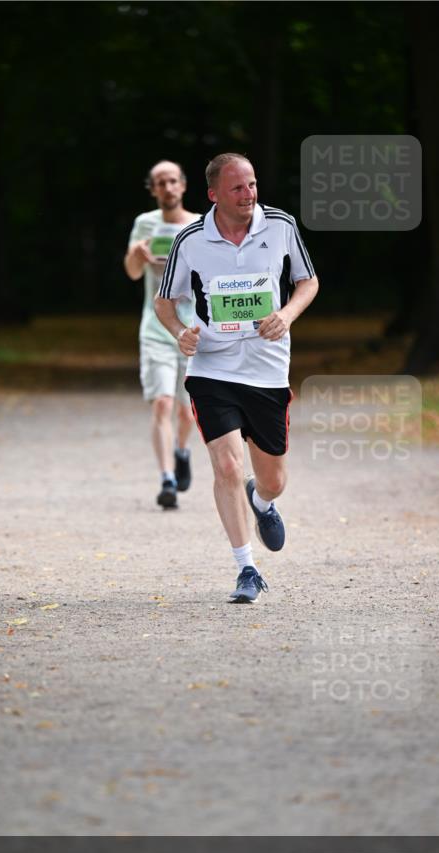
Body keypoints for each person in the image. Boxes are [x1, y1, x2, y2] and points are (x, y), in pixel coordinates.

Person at [155, 152, 319, 602]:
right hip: (212, 367)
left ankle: (262, 501)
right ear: (213, 195)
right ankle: (246, 568)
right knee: (226, 465)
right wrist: (179, 335)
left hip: (267, 370)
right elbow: (164, 301)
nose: (249, 195)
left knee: (273, 481)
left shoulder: (280, 225)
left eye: (252, 185)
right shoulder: (191, 239)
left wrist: (285, 315)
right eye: (237, 188)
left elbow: (308, 282)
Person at [124, 161, 200, 509]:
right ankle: (167, 479)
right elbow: (132, 273)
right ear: (152, 189)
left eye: (173, 181)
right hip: (155, 327)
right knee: (162, 403)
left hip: (193, 329)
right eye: (160, 183)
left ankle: (182, 452)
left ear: (183, 186)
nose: (167, 188)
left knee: (188, 412)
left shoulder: (200, 224)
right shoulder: (144, 223)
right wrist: (136, 255)